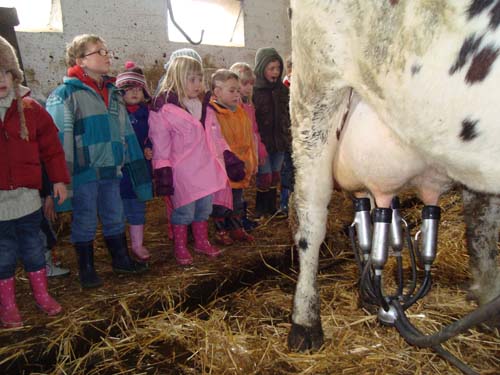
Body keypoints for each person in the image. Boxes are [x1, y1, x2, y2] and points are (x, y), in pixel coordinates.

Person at [46, 34, 151, 289]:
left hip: (111, 168)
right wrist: (61, 179)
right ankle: (87, 268)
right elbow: (60, 140)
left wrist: (135, 168)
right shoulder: (65, 95)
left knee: (115, 214)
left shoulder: (113, 94)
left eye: (106, 51)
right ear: (81, 60)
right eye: (99, 52)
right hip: (84, 170)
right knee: (85, 219)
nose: (107, 56)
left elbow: (126, 132)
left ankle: (121, 259)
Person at [0, 36, 70, 327]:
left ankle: (42, 296)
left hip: (28, 201)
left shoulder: (30, 109)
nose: (0, 79)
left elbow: (52, 148)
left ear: (14, 74)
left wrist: (58, 180)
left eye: (4, 72)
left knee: (33, 249)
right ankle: (9, 306)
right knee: (3, 256)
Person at [149, 56, 242, 265]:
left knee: (204, 209)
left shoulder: (206, 107)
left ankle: (202, 241)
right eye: (192, 80)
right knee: (184, 211)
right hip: (183, 171)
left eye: (200, 79)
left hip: (206, 167)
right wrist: (162, 170)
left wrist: (228, 156)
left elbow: (216, 136)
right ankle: (180, 246)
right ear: (178, 79)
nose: (198, 85)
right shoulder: (163, 110)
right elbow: (160, 144)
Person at [210, 69, 257, 243]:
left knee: (237, 199)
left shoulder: (240, 112)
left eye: (238, 90)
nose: (237, 94)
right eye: (232, 90)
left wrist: (251, 160)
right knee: (222, 201)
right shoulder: (213, 113)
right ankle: (221, 231)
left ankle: (236, 228)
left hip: (241, 164)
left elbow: (249, 137)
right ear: (217, 92)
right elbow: (215, 141)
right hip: (224, 166)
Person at [115, 61, 154, 262]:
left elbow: (155, 135)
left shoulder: (147, 114)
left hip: (140, 167)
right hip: (121, 168)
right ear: (120, 92)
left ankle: (137, 244)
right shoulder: (115, 114)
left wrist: (151, 148)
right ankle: (120, 246)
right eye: (129, 89)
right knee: (119, 207)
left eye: (138, 88)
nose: (134, 93)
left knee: (138, 205)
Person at [252, 47, 291, 217]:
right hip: (263, 142)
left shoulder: (283, 91)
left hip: (280, 141)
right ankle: (260, 208)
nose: (275, 72)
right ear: (261, 69)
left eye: (278, 68)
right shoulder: (255, 91)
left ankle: (271, 207)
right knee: (265, 175)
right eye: (271, 68)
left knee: (276, 175)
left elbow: (288, 114)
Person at [230, 62, 266, 230]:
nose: (249, 88)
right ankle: (235, 224)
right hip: (236, 155)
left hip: (248, 152)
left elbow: (255, 131)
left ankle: (241, 220)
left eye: (251, 84)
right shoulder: (233, 109)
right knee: (235, 191)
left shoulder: (249, 106)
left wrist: (259, 150)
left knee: (243, 188)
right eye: (244, 84)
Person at [40, 168, 70, 277]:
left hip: (37, 191)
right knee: (44, 230)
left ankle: (47, 262)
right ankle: (45, 266)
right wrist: (47, 194)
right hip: (36, 194)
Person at [278, 55, 294, 218]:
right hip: (286, 137)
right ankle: (285, 202)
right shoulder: (284, 89)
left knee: (297, 170)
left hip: (299, 138)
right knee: (286, 170)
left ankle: (296, 201)